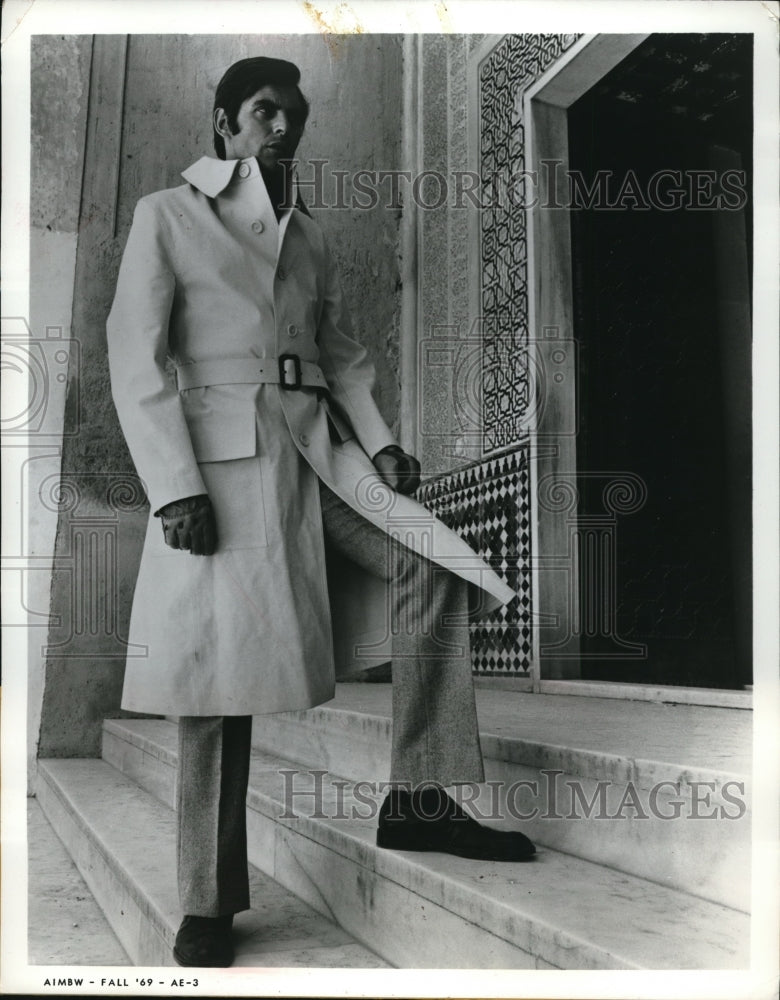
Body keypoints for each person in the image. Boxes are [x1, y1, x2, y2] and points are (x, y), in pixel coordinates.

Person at [107, 56, 535, 969]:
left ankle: (420, 798)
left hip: (319, 456)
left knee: (432, 569)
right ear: (224, 122)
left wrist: (379, 440)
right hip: (218, 467)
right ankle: (206, 899)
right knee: (217, 685)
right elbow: (135, 358)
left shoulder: (309, 237)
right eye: (266, 112)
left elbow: (344, 355)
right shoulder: (167, 215)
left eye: (295, 115)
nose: (284, 127)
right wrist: (174, 485)